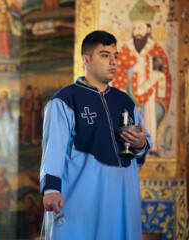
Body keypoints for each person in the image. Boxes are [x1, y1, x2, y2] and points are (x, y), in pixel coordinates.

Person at [40, 31, 152, 240]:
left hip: (123, 196)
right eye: (104, 55)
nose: (113, 62)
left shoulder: (124, 101)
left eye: (115, 56)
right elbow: (52, 147)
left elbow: (144, 144)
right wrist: (50, 189)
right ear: (86, 59)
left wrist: (140, 143)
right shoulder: (65, 100)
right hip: (83, 198)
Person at [112, 0, 172, 155]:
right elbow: (118, 76)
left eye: (140, 27)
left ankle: (150, 145)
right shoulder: (125, 51)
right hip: (128, 96)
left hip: (150, 99)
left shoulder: (156, 51)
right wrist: (132, 71)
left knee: (151, 103)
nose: (137, 31)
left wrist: (153, 78)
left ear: (148, 28)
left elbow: (161, 76)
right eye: (135, 28)